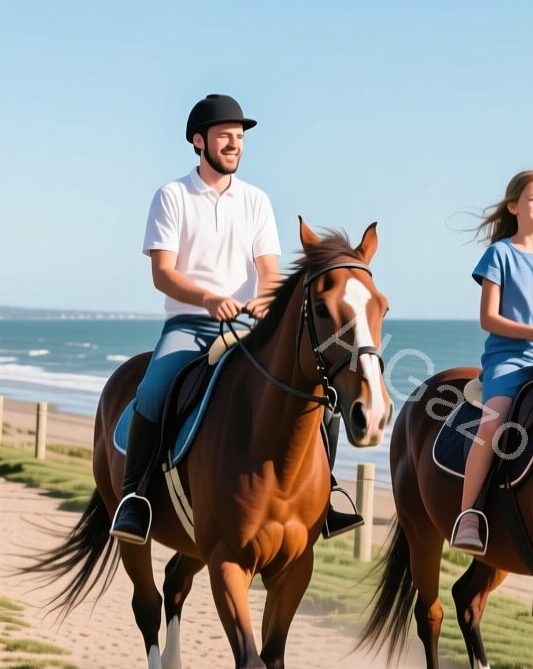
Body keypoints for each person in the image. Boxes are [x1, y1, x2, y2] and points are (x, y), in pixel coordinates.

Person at [110, 94, 362, 543]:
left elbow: (269, 272)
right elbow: (163, 274)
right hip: (190, 324)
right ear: (198, 141)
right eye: (225, 136)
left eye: (240, 137)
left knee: (321, 389)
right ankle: (136, 499)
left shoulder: (257, 201)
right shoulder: (172, 196)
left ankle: (327, 497)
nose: (234, 144)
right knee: (151, 390)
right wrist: (209, 299)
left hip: (249, 326)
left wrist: (264, 302)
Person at [450, 168, 533, 556]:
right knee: (493, 422)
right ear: (514, 206)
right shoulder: (499, 255)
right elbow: (488, 319)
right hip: (509, 360)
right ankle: (468, 513)